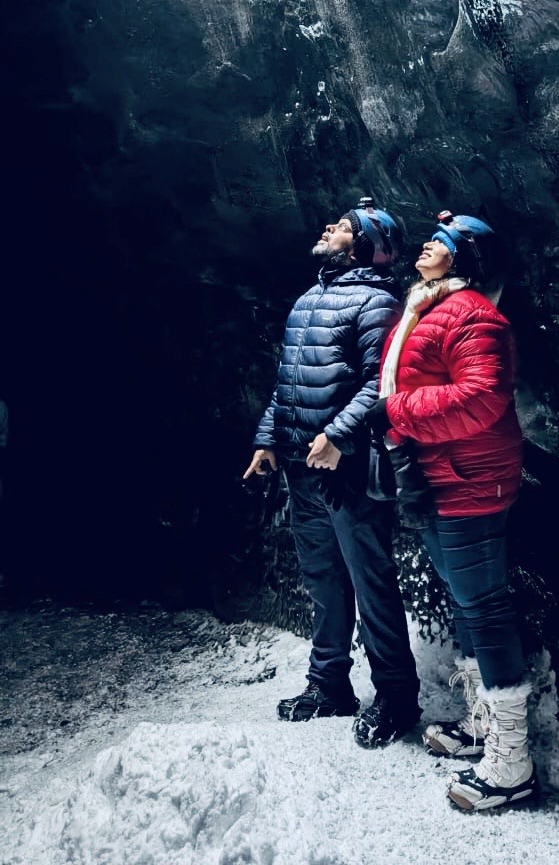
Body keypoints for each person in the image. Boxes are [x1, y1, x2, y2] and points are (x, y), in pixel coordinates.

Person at [370, 210, 536, 811]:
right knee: (466, 601)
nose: (424, 246)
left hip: (472, 479)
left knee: (484, 608)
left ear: (462, 257)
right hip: (439, 478)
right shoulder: (428, 307)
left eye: (437, 242)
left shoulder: (473, 315)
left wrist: (396, 413)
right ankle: (484, 728)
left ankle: (512, 764)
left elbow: (483, 397)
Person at [244, 197, 420, 748]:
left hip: (346, 468)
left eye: (342, 227)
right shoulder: (309, 298)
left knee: (371, 582)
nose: (329, 228)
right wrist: (267, 440)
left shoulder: (377, 303)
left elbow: (379, 383)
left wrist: (337, 436)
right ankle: (329, 686)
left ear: (368, 243)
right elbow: (288, 381)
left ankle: (396, 696)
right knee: (323, 580)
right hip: (302, 465)